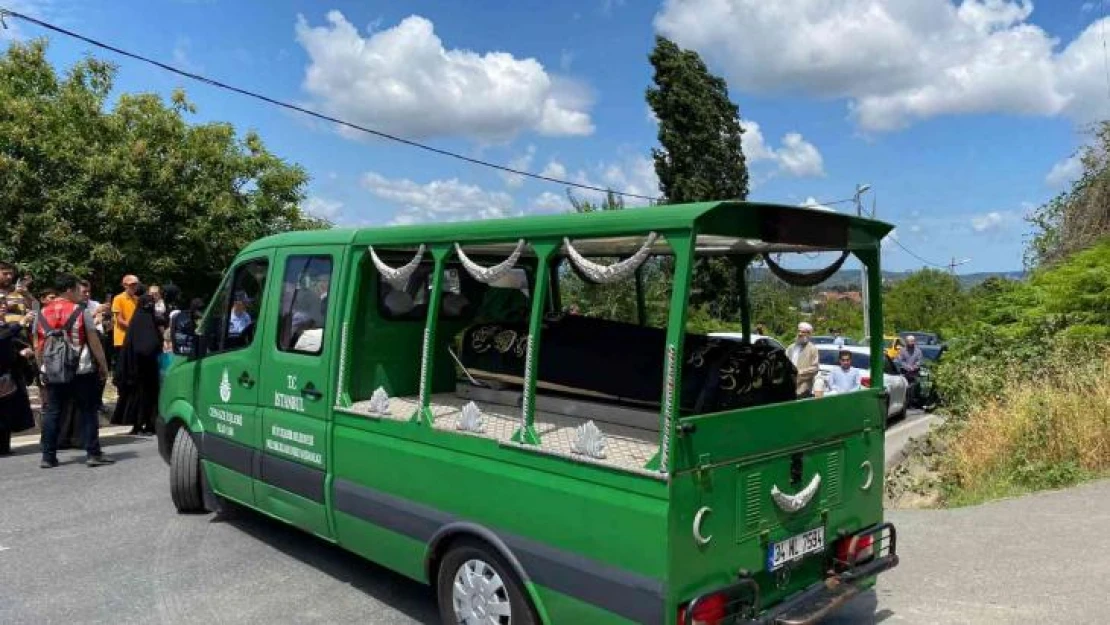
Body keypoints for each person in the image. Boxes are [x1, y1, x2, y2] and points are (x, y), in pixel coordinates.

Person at [34, 273, 113, 468]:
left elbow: (38, 345)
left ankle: (48, 456)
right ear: (69, 290)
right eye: (78, 289)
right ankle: (93, 453)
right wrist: (103, 366)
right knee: (87, 410)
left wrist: (41, 369)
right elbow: (93, 341)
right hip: (81, 369)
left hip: (53, 371)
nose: (81, 293)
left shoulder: (41, 313)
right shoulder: (80, 311)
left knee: (53, 412)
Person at [111, 288, 162, 435]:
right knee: (148, 396)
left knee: (140, 396)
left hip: (138, 370)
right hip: (146, 370)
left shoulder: (136, 321)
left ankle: (140, 425)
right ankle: (146, 425)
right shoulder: (148, 322)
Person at [0, 299, 36, 455]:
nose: (2, 307)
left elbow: (10, 343)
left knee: (7, 411)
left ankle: (3, 446)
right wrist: (21, 323)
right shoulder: (10, 328)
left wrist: (22, 353)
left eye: (3, 304)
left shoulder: (5, 325)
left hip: (8, 374)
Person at [785, 321, 820, 398]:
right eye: (799, 331)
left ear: (809, 334)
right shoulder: (791, 347)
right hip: (788, 386)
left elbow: (815, 369)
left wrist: (798, 373)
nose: (800, 334)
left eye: (803, 332)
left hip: (803, 389)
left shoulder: (812, 349)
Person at [111, 274, 140, 350]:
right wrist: (135, 328)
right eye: (132, 284)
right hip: (122, 339)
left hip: (135, 338)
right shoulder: (118, 298)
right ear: (125, 285)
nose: (135, 287)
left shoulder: (137, 299)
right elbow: (120, 320)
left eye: (136, 284)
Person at [895, 334, 924, 406]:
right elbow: (900, 361)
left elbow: (919, 361)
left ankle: (912, 402)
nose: (911, 343)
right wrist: (907, 367)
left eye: (912, 341)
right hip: (904, 372)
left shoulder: (918, 351)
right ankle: (905, 402)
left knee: (913, 388)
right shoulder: (902, 350)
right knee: (904, 388)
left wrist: (914, 367)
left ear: (914, 342)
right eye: (909, 341)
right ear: (906, 342)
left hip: (914, 373)